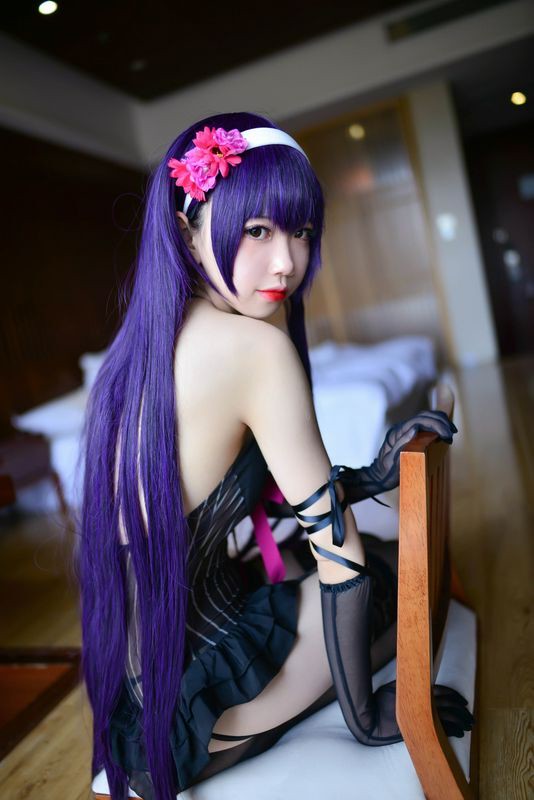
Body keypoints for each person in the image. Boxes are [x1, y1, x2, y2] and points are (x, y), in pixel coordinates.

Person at [78, 112, 473, 800]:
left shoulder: (149, 342)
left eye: (301, 231)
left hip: (142, 704)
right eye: (257, 230)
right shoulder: (253, 347)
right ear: (186, 231)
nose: (287, 261)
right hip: (199, 703)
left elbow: (285, 497)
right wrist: (370, 718)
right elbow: (338, 553)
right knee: (386, 575)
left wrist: (369, 477)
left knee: (354, 567)